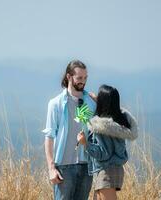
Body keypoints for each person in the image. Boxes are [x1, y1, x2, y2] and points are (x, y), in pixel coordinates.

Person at [42, 60, 96, 200]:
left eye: (85, 78)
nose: (82, 82)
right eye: (79, 78)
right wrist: (51, 168)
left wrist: (100, 103)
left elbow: (85, 126)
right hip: (64, 167)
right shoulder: (56, 104)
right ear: (69, 77)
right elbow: (49, 136)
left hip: (86, 166)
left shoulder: (89, 102)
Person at [77, 84, 138, 200]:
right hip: (113, 169)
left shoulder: (102, 127)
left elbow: (103, 153)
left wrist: (86, 143)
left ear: (103, 102)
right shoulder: (118, 121)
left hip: (107, 171)